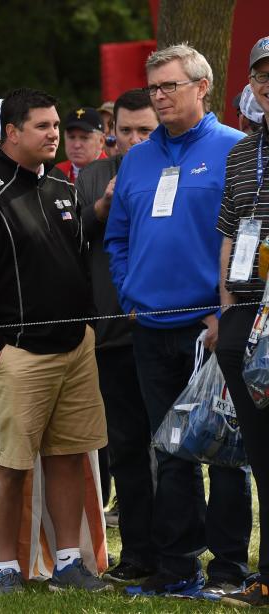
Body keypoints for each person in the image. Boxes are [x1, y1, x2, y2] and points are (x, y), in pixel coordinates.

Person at [105, 43, 251, 599]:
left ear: (202, 87)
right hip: (150, 326)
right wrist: (127, 293)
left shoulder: (235, 151)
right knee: (169, 451)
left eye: (170, 86)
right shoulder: (137, 159)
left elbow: (248, 243)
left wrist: (225, 311)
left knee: (225, 453)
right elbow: (117, 237)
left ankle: (230, 568)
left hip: (213, 328)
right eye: (154, 87)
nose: (159, 96)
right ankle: (176, 565)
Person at [0, 87, 110, 595]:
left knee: (67, 456)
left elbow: (76, 264)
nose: (54, 134)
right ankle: (5, 567)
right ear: (10, 134)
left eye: (56, 125)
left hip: (74, 348)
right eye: (42, 126)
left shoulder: (64, 190)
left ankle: (68, 560)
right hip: (15, 354)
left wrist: (83, 328)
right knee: (10, 464)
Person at [76, 88, 159, 583]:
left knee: (173, 449)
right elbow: (68, 241)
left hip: (168, 326)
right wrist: (99, 211)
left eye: (143, 130)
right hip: (110, 332)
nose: (133, 139)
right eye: (125, 130)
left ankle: (179, 552)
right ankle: (138, 553)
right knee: (126, 448)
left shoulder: (169, 168)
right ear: (112, 133)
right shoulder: (91, 177)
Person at [216, 34, 269, 608]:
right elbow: (230, 233)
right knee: (262, 457)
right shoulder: (241, 151)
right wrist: (225, 307)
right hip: (247, 319)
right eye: (263, 75)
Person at [55, 107, 106, 183]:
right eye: (71, 137)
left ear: (101, 141)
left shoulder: (114, 174)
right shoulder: (57, 173)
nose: (76, 145)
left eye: (84, 138)